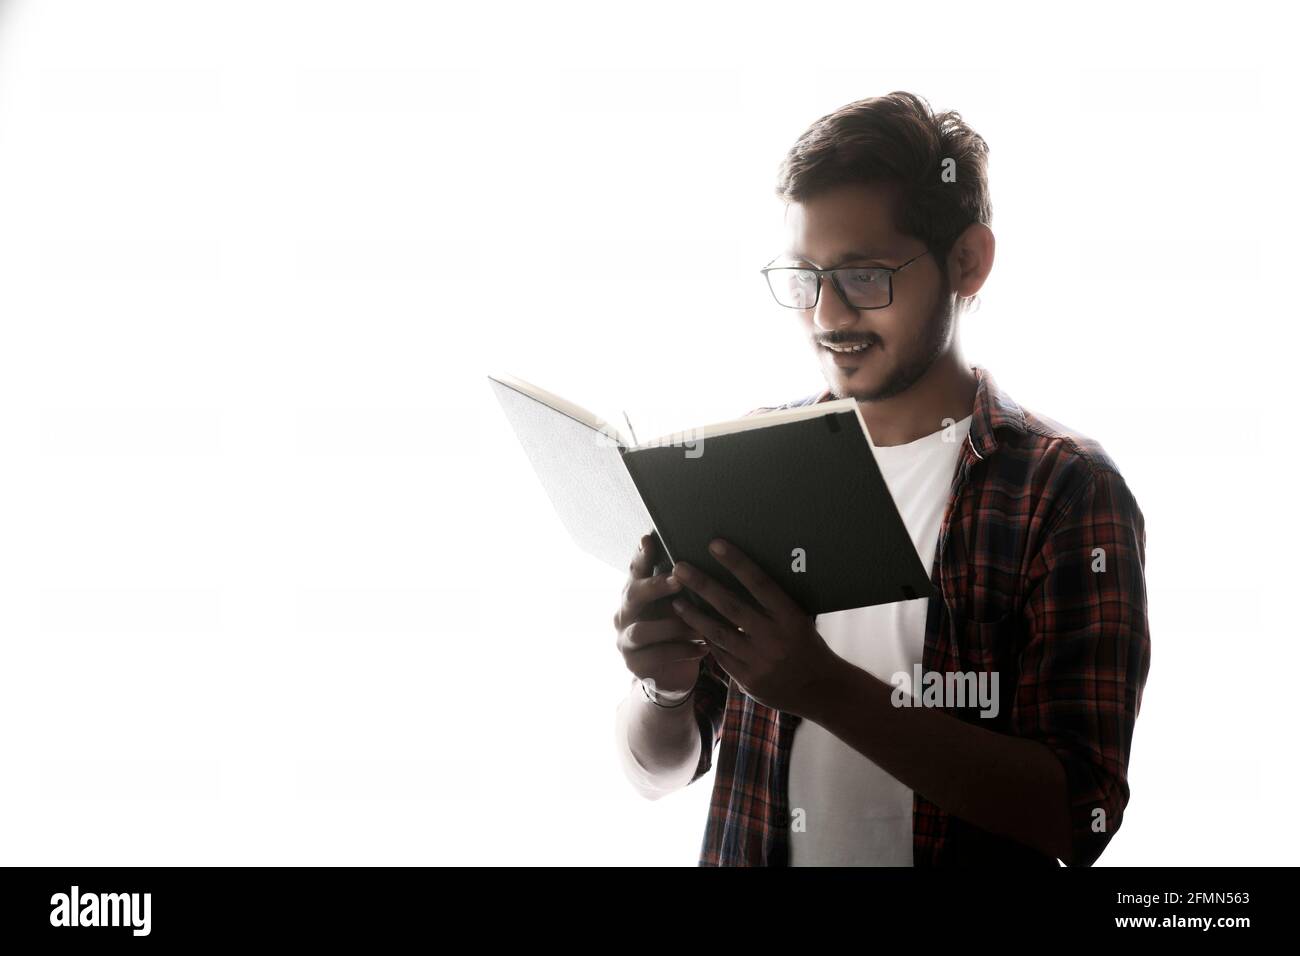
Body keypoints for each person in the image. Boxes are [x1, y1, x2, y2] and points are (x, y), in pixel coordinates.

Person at [612, 91, 1151, 867]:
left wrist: (824, 688)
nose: (828, 316)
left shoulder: (1064, 492)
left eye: (864, 276)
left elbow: (1082, 816)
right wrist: (662, 687)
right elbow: (663, 770)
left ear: (967, 261)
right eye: (804, 278)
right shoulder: (753, 465)